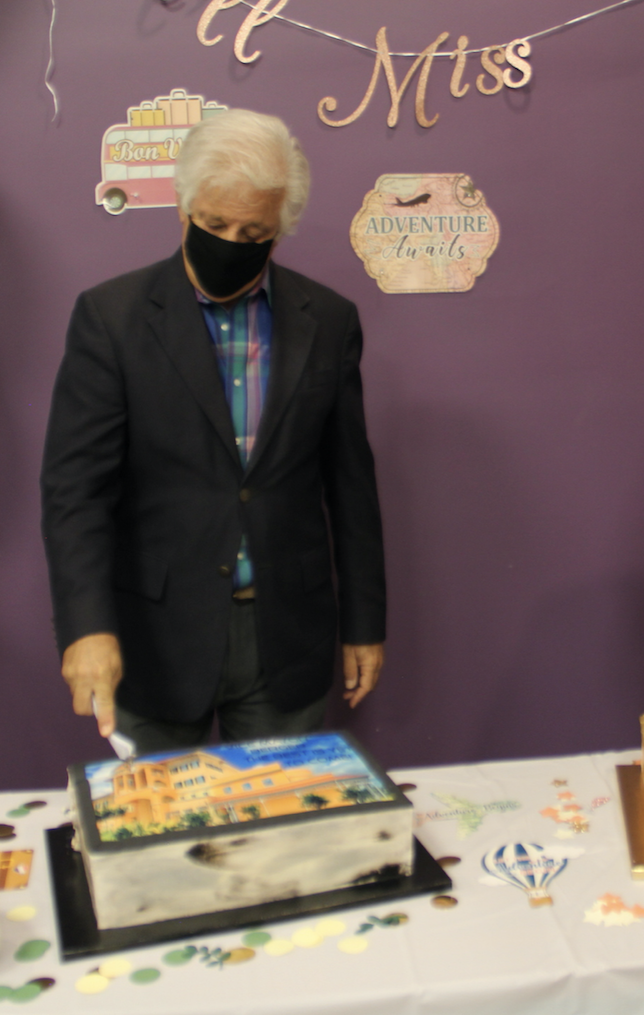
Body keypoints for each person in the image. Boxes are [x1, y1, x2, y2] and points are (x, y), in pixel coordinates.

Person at [41, 109, 387, 754]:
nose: (231, 240)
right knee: (168, 844)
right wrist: (85, 627)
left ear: (280, 229)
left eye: (253, 230)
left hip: (287, 636)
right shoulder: (111, 319)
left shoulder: (330, 321)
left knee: (279, 844)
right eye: (215, 223)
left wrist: (365, 622)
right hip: (155, 638)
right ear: (183, 207)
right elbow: (75, 492)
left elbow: (350, 484)